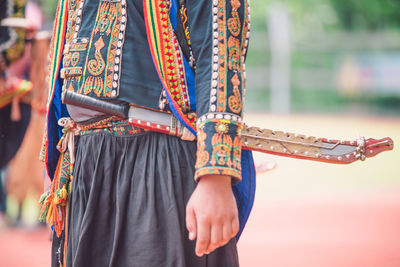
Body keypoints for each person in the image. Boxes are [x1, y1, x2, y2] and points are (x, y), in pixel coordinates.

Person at [40, 0, 255, 266]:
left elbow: (220, 52)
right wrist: (53, 162)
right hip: (85, 164)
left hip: (161, 163)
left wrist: (216, 175)